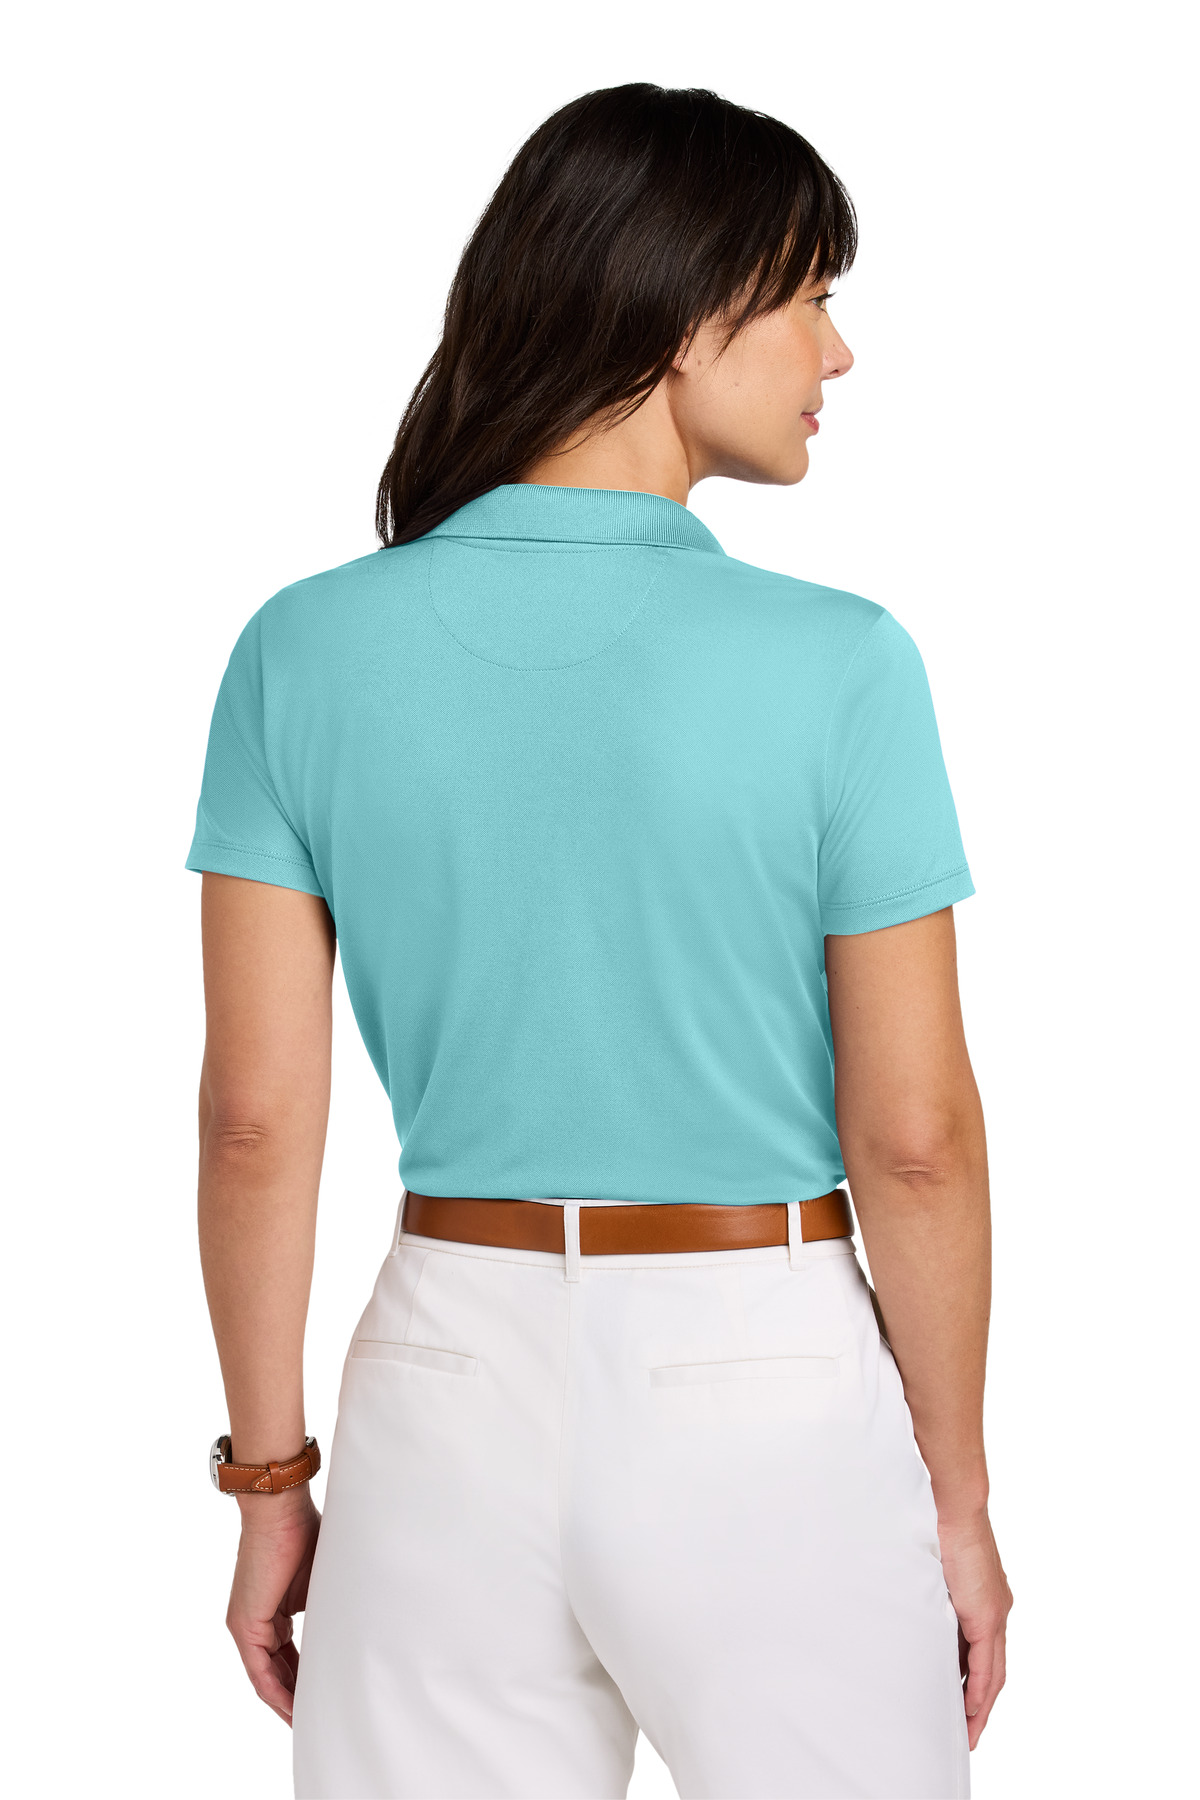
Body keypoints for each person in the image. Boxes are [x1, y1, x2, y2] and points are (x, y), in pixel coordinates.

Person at [188, 82, 1011, 1800]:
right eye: (812, 297)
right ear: (687, 311)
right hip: (766, 1380)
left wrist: (271, 1489)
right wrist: (954, 1495)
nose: (838, 353)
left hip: (442, 1376)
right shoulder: (842, 663)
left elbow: (254, 1121)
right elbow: (916, 1140)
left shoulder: (301, 649)